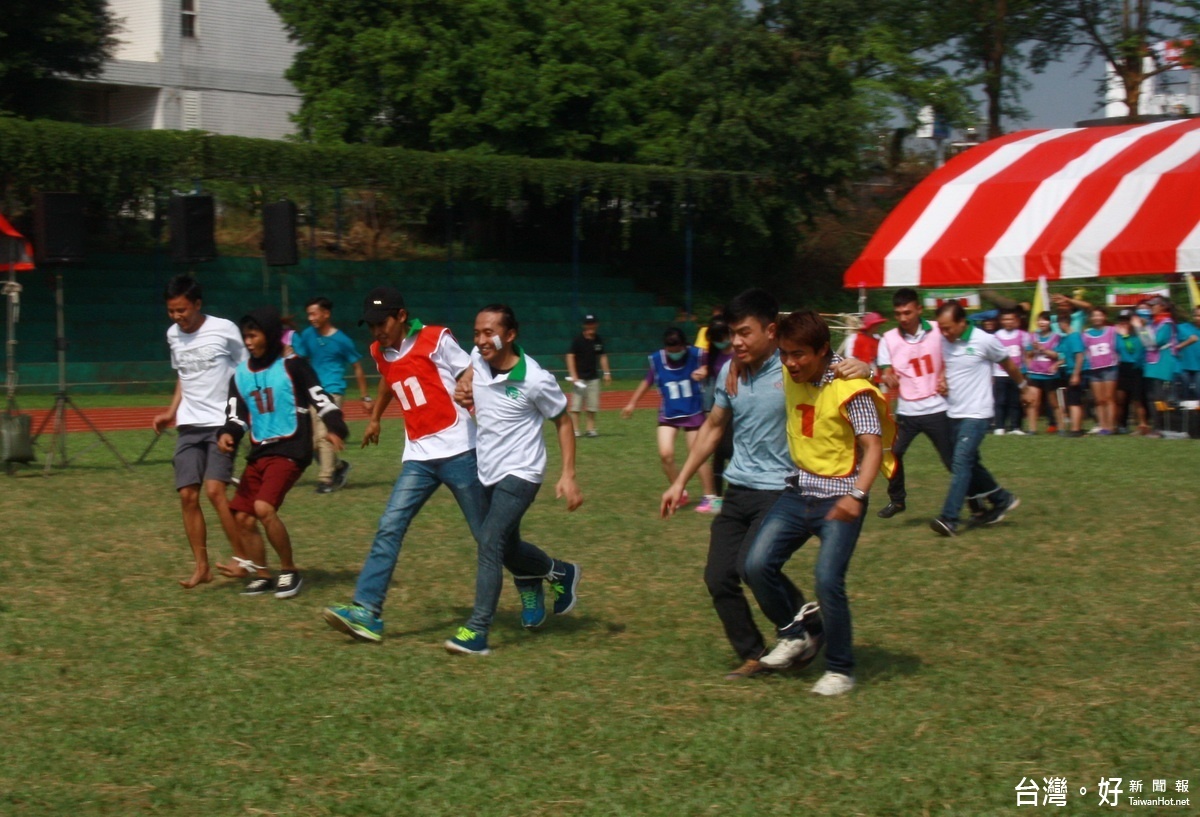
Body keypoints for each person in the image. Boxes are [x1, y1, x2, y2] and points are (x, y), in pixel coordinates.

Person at [323, 288, 559, 642]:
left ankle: (540, 572)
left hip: (461, 450)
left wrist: (466, 386)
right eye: (370, 325)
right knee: (390, 524)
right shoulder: (378, 350)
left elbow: (472, 367)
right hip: (418, 456)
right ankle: (367, 612)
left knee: (490, 540)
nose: (376, 331)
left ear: (401, 316)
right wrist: (375, 417)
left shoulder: (436, 339)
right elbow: (392, 378)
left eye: (381, 322)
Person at [660, 290, 868, 680]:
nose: (735, 342)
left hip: (780, 489)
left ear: (771, 331)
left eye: (744, 333)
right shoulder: (730, 371)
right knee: (718, 577)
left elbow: (839, 368)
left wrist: (867, 368)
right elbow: (714, 428)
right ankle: (758, 652)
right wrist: (681, 481)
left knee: (751, 564)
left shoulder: (795, 364)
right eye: (731, 334)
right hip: (737, 487)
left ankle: (802, 629)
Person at [741, 309, 895, 697]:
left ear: (823, 350)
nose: (791, 363)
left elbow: (872, 447)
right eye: (785, 354)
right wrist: (733, 366)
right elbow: (755, 345)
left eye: (799, 355)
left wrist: (857, 496)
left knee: (828, 580)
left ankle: (841, 669)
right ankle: (795, 634)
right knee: (755, 565)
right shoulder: (786, 368)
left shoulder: (849, 384)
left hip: (841, 496)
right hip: (798, 492)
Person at [445, 305, 583, 656]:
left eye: (489, 332)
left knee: (489, 541)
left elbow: (564, 422)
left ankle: (477, 631)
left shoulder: (535, 379)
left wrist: (568, 474)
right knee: (506, 546)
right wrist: (465, 389)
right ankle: (557, 573)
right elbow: (470, 378)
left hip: (523, 472)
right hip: (487, 468)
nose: (480, 340)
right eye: (476, 333)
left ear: (509, 335)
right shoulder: (478, 356)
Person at [218, 307, 348, 598]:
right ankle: (262, 574)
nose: (248, 342)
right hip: (260, 451)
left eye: (253, 335)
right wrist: (228, 433)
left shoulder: (294, 366)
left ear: (270, 335)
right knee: (242, 517)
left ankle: (289, 571)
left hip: (291, 449)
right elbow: (236, 416)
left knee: (263, 508)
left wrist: (335, 425)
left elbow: (320, 397)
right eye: (245, 337)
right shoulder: (239, 374)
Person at [152, 274, 249, 589]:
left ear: (197, 304)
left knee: (215, 491)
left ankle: (243, 560)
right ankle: (202, 567)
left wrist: (248, 413)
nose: (178, 317)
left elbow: (246, 369)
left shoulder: (224, 329)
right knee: (187, 495)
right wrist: (170, 411)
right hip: (188, 425)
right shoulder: (173, 335)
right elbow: (184, 374)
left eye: (182, 310)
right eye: (171, 311)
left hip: (223, 422)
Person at [929, 302, 1028, 536]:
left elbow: (1007, 363)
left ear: (962, 322)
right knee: (970, 463)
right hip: (954, 412)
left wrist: (1024, 386)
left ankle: (949, 519)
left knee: (961, 463)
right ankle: (1002, 499)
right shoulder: (944, 340)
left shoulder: (984, 340)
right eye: (941, 328)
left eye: (948, 328)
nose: (944, 333)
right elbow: (950, 366)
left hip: (978, 414)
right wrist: (943, 380)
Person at [876, 288, 958, 520]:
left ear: (919, 310)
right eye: (898, 313)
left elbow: (954, 356)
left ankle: (974, 498)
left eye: (907, 312)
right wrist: (888, 376)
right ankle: (897, 499)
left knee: (952, 460)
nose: (903, 318)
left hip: (937, 408)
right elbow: (886, 369)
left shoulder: (938, 330)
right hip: (908, 411)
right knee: (892, 454)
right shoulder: (889, 338)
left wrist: (945, 377)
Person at [621, 327, 717, 511]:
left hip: (693, 410)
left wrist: (706, 369)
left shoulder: (697, 355)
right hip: (669, 412)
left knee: (698, 454)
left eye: (678, 350)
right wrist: (632, 403)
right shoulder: (658, 359)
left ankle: (710, 496)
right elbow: (648, 380)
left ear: (684, 346)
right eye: (670, 351)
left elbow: (716, 363)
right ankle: (678, 491)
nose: (674, 354)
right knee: (665, 454)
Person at [292, 296, 372, 493]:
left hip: (333, 391)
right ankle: (338, 466)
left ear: (326, 314)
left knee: (324, 435)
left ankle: (326, 479)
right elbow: (299, 357)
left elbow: (357, 366)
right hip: (312, 392)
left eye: (314, 313)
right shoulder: (308, 335)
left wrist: (365, 396)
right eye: (308, 314)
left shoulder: (342, 340)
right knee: (309, 441)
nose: (310, 318)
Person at [1135, 296, 1178, 436]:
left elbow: (1155, 341)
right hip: (1152, 364)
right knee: (1151, 397)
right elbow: (1145, 342)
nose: (1151, 308)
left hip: (1162, 364)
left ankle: (1163, 427)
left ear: (1163, 307)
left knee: (1160, 397)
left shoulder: (1166, 323)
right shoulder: (1153, 323)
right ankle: (1156, 426)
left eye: (1154, 305)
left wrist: (1141, 327)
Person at [565, 314, 611, 438]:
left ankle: (590, 429)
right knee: (576, 405)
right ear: (584, 325)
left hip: (593, 377)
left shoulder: (598, 340)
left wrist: (607, 373)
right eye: (588, 324)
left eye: (592, 324)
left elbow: (602, 356)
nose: (590, 326)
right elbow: (570, 356)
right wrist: (573, 375)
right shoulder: (577, 340)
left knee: (592, 405)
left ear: (596, 325)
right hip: (579, 378)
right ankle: (575, 430)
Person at [1024, 311, 1064, 434]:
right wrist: (1029, 363)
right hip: (1035, 373)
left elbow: (1059, 356)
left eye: (1045, 320)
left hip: (1049, 374)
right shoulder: (1033, 336)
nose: (1042, 322)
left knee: (1054, 403)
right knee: (1033, 402)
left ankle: (1061, 428)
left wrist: (1043, 349)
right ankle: (1032, 429)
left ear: (1050, 322)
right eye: (1040, 320)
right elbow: (1028, 354)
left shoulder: (1057, 337)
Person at [992, 308, 1030, 434]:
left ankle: (1016, 427)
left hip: (1017, 374)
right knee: (1000, 401)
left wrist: (1026, 372)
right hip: (999, 373)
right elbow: (992, 357)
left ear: (1016, 320)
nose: (1008, 322)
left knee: (1016, 401)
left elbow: (1026, 354)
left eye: (1011, 319)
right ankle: (999, 426)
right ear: (1001, 321)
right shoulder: (995, 336)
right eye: (1005, 319)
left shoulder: (1023, 335)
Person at [1081, 307, 1118, 434]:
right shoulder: (1086, 334)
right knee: (1099, 399)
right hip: (1094, 369)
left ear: (1104, 317)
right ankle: (1103, 426)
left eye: (1100, 315)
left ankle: (1111, 426)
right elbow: (1084, 351)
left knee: (1109, 398)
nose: (1097, 318)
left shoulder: (1112, 330)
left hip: (1109, 367)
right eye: (1094, 316)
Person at [1113, 308, 1148, 433]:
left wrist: (1126, 336)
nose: (1124, 323)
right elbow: (1116, 349)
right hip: (1123, 366)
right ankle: (1120, 424)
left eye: (1127, 320)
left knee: (1137, 399)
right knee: (1120, 399)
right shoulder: (1117, 334)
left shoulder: (1139, 333)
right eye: (1121, 320)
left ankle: (1143, 425)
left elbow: (1133, 350)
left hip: (1136, 368)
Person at [1057, 313, 1086, 437]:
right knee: (1073, 401)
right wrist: (1057, 363)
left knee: (1074, 401)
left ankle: (1076, 429)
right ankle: (1077, 427)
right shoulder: (1067, 338)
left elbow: (1079, 356)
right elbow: (1068, 357)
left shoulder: (1074, 336)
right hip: (1070, 370)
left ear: (1063, 323)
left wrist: (1076, 374)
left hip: (1075, 372)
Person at [1174, 305, 1200, 400]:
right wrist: (1187, 342)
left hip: (1198, 369)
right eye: (1196, 315)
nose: (1198, 318)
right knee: (1184, 394)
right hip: (1183, 367)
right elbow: (1173, 346)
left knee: (1198, 391)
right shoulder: (1182, 328)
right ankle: (1185, 414)